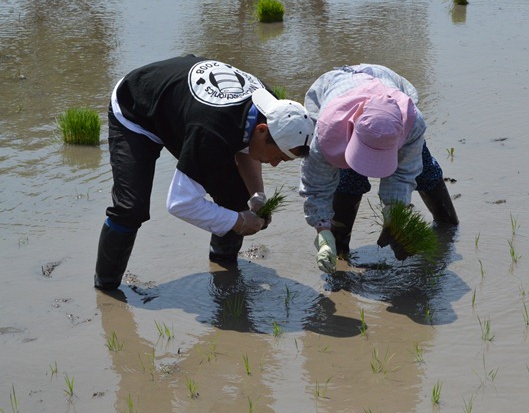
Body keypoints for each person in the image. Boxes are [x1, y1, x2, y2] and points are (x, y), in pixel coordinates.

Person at [95, 55, 315, 290]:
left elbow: (245, 145)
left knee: (235, 198)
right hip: (135, 110)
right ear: (263, 130)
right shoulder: (212, 131)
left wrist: (256, 195)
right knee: (130, 208)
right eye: (278, 157)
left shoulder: (272, 109)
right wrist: (238, 222)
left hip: (184, 111)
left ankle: (225, 272)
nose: (274, 165)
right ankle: (106, 290)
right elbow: (180, 203)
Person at [299, 64, 458, 273]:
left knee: (423, 169)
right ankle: (338, 250)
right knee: (348, 181)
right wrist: (322, 232)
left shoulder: (412, 123)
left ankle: (449, 227)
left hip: (384, 86)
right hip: (340, 102)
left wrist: (394, 218)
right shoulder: (327, 133)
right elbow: (317, 186)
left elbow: (403, 175)